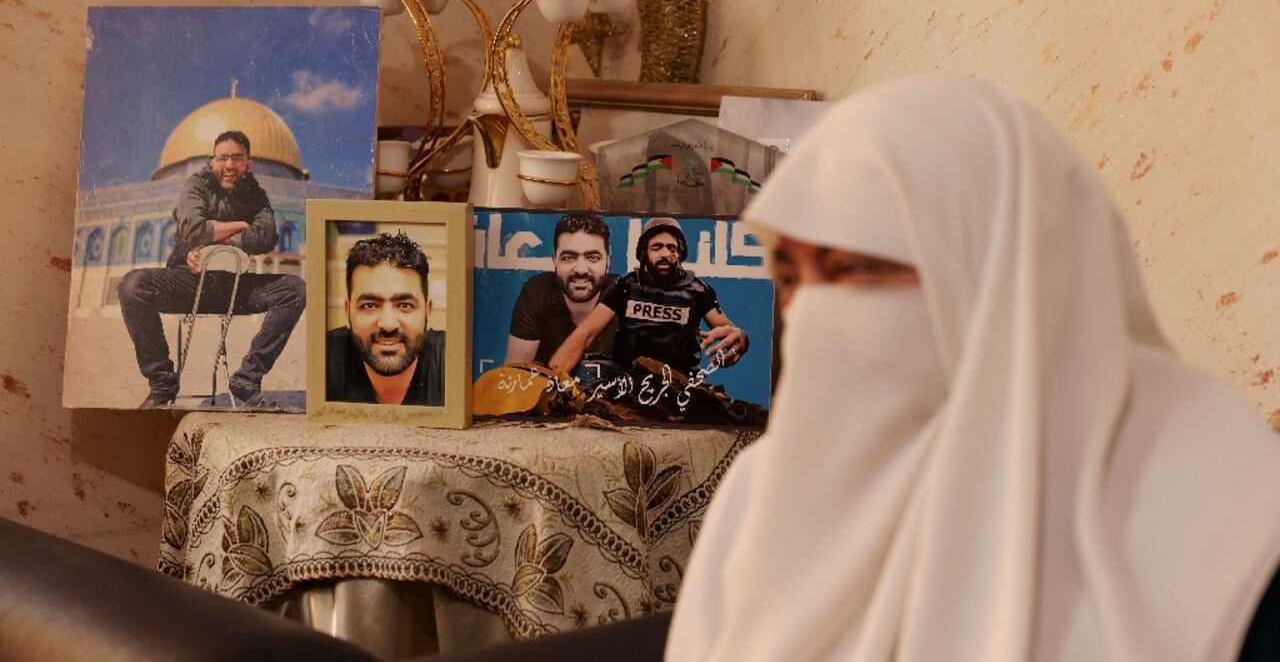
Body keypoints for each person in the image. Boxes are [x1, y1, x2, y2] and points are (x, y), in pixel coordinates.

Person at [427, 78, 1280, 662]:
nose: (814, 315)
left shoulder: (1225, 530)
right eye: (795, 279)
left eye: (855, 270)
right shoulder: (770, 490)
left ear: (1002, 273)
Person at [119, 130, 304, 409]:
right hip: (188, 282)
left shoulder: (255, 194)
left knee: (294, 289)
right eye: (223, 158)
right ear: (212, 161)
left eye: (237, 159)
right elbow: (193, 228)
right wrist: (242, 226)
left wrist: (215, 242)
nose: (230, 165)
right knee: (132, 285)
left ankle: (246, 380)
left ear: (248, 163)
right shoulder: (196, 184)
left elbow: (266, 237)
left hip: (234, 286)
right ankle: (161, 383)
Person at [548, 217, 748, 378]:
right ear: (644, 252)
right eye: (657, 247)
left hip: (677, 378)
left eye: (672, 248)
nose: (665, 253)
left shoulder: (697, 290)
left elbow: (727, 329)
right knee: (586, 371)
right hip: (627, 376)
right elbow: (586, 332)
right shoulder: (626, 287)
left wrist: (740, 338)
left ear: (680, 253)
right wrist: (552, 378)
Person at [326, 230, 444, 406]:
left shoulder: (453, 362)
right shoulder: (323, 357)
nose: (388, 324)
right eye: (370, 305)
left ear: (427, 312)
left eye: (405, 305)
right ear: (347, 311)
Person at [505, 212, 618, 365]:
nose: (581, 269)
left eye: (592, 257)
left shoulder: (625, 296)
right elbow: (514, 376)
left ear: (608, 262)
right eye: (569, 257)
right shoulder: (538, 293)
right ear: (555, 261)